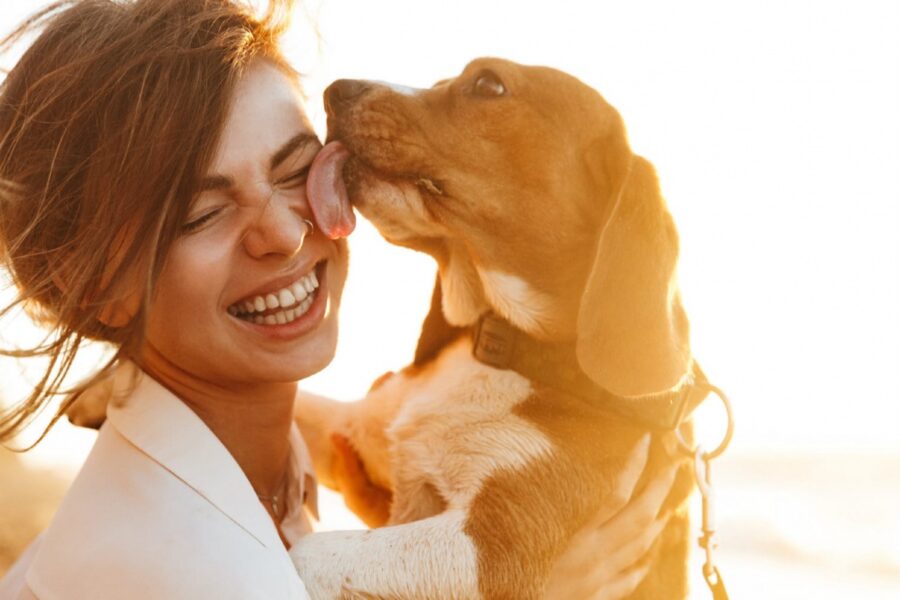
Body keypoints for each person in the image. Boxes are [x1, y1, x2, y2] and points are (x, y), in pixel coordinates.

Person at [0, 1, 675, 598]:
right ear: (95, 288)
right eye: (200, 215)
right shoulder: (188, 573)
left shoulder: (267, 466)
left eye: (298, 170)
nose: (287, 234)